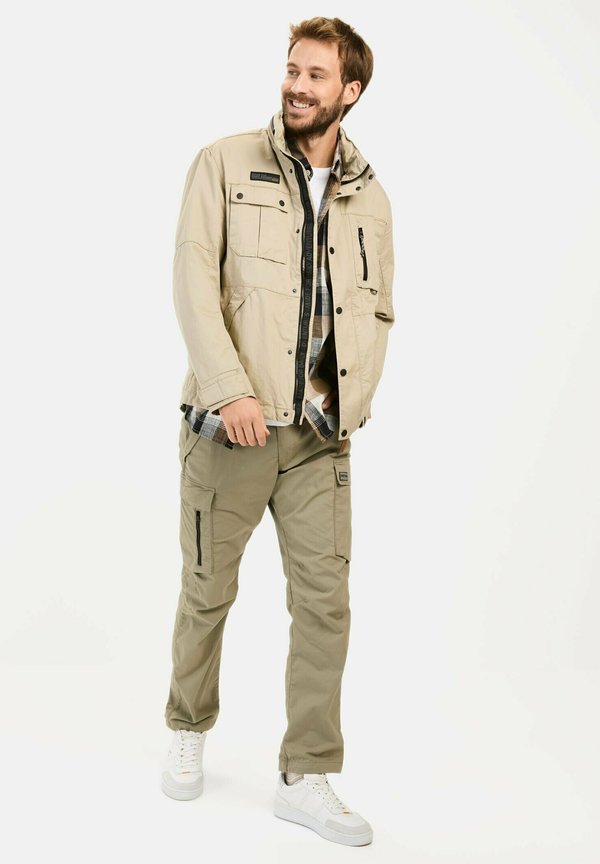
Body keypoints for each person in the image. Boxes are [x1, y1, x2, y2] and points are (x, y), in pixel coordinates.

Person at [161, 15, 395, 847]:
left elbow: (377, 311)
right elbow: (193, 280)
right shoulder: (224, 163)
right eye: (293, 69)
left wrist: (350, 405)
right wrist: (230, 391)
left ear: (350, 91)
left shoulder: (371, 197)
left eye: (316, 75)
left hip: (319, 441)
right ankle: (188, 724)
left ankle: (307, 774)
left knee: (327, 607)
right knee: (207, 589)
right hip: (232, 432)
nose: (296, 85)